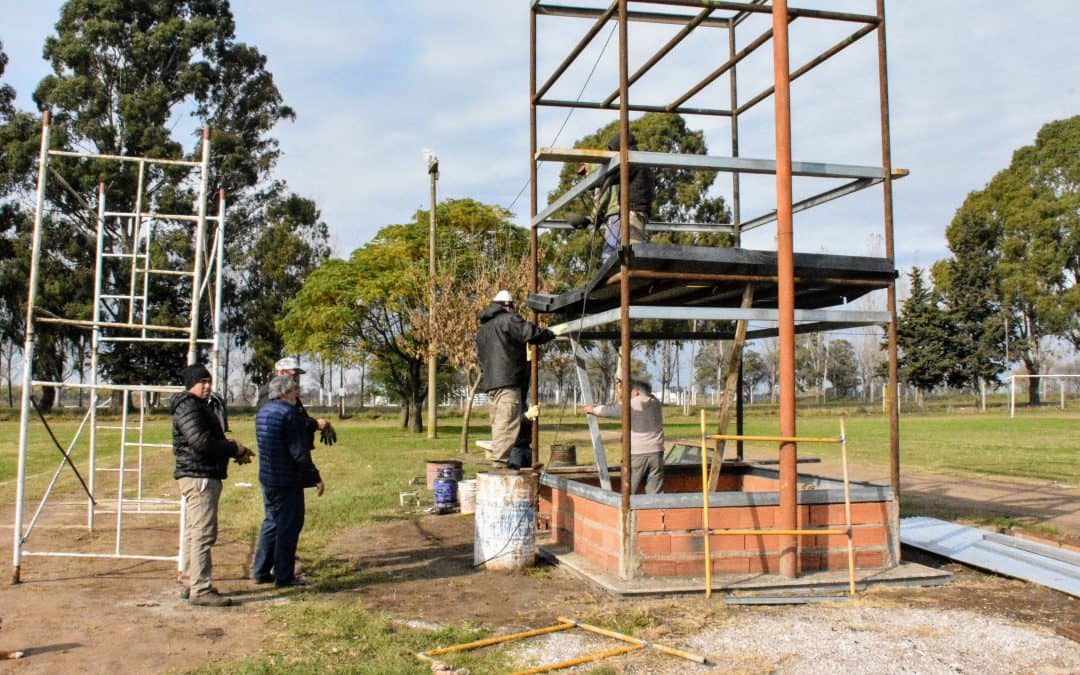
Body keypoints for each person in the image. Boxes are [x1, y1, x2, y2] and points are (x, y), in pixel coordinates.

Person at [171, 363, 252, 607]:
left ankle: (190, 580)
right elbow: (201, 443)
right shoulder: (189, 408)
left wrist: (234, 450)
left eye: (209, 382)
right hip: (199, 477)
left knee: (195, 531)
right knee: (203, 533)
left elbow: (208, 440)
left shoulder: (196, 407)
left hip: (201, 474)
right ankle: (201, 588)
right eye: (202, 382)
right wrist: (232, 448)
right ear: (191, 385)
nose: (207, 386)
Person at [252, 375, 324, 588]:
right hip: (286, 480)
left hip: (267, 477)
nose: (296, 392)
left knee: (272, 522)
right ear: (284, 393)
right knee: (289, 526)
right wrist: (315, 478)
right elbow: (299, 452)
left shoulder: (263, 412)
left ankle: (261, 570)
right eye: (293, 389)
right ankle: (284, 577)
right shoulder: (289, 414)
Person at [476, 290, 555, 469]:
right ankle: (499, 465)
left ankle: (500, 461)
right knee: (508, 424)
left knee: (499, 424)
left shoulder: (483, 330)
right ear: (508, 306)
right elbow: (529, 333)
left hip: (491, 384)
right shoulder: (508, 320)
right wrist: (550, 333)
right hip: (508, 383)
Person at [584, 379, 665, 494]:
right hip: (657, 453)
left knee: (628, 492)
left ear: (635, 393)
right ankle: (657, 511)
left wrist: (593, 409)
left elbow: (612, 411)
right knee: (655, 493)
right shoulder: (656, 403)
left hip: (637, 454)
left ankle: (626, 512)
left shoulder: (633, 404)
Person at [591, 132, 655, 259]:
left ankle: (630, 276)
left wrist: (596, 185)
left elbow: (612, 177)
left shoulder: (633, 160)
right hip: (636, 211)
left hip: (633, 212)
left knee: (632, 251)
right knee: (627, 249)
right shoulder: (639, 160)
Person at [271, 357, 337, 448]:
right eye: (294, 374)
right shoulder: (272, 394)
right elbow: (291, 421)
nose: (297, 378)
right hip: (286, 454)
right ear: (281, 373)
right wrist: (316, 424)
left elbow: (301, 417)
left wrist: (320, 424)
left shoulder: (290, 394)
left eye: (298, 375)